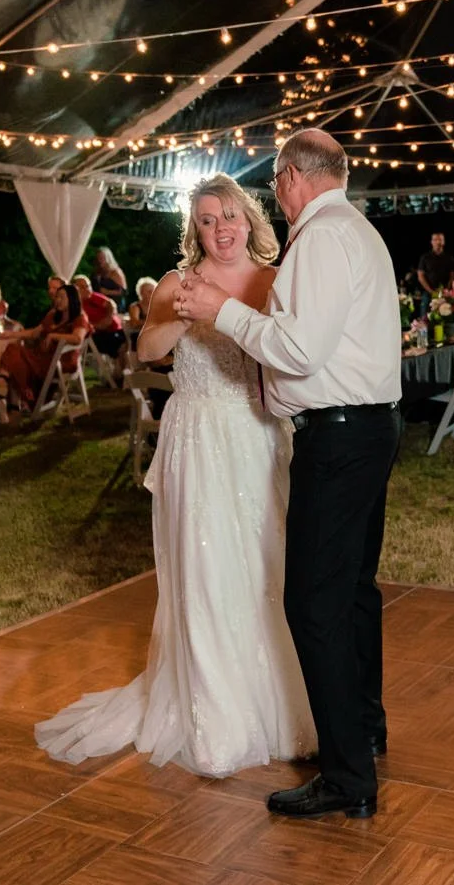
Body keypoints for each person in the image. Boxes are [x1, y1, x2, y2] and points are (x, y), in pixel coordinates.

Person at [36, 174, 314, 776]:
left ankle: (280, 703)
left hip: (257, 433)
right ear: (196, 230)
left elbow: (290, 351)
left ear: (249, 220)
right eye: (208, 220)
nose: (221, 229)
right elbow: (147, 349)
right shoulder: (175, 283)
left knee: (268, 565)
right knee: (206, 568)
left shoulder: (272, 279)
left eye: (230, 216)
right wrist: (186, 316)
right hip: (196, 439)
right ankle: (215, 719)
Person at [174, 130, 401, 819]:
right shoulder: (354, 231)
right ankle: (364, 727)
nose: (276, 191)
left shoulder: (325, 239)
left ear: (291, 179)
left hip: (340, 437)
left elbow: (299, 350)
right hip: (366, 427)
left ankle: (348, 776)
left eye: (275, 181)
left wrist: (225, 312)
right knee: (354, 592)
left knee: (314, 601)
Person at [0, 284, 90, 409]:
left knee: (16, 355)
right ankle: (6, 383)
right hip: (43, 358)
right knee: (13, 350)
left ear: (72, 299)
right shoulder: (53, 314)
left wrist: (53, 336)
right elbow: (34, 333)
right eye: (57, 297)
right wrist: (11, 334)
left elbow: (77, 338)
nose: (57, 300)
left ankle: (17, 392)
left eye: (62, 297)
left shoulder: (80, 317)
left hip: (60, 361)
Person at [72, 275, 127, 361]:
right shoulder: (75, 304)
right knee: (117, 344)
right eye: (83, 287)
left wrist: (108, 318)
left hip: (112, 329)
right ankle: (120, 369)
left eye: (88, 286)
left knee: (125, 340)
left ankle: (121, 369)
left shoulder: (93, 296)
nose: (87, 289)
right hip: (95, 333)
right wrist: (97, 326)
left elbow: (110, 304)